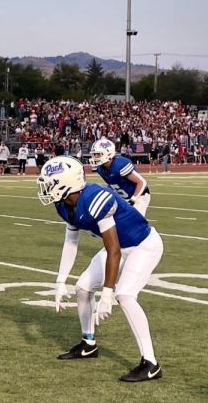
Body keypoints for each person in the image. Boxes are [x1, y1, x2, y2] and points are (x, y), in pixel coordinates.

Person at [37, 156, 163, 382]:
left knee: (125, 295)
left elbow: (113, 249)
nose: (46, 187)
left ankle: (151, 363)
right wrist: (60, 280)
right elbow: (71, 241)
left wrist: (108, 292)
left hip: (142, 245)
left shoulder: (96, 198)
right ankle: (89, 343)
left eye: (51, 182)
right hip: (119, 247)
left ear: (65, 183)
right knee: (83, 288)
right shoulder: (64, 204)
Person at [89, 138, 151, 216]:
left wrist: (133, 200)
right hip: (123, 197)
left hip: (139, 196)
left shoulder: (120, 165)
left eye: (98, 154)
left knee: (134, 223)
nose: (95, 157)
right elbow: (113, 184)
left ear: (108, 153)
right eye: (94, 154)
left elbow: (142, 182)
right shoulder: (100, 168)